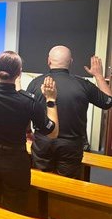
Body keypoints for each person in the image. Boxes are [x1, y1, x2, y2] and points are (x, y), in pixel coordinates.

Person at [0, 51, 59, 214]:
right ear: (19, 73)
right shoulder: (29, 101)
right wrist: (51, 100)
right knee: (15, 212)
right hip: (16, 162)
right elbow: (52, 133)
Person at [26, 46, 112, 178]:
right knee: (67, 186)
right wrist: (99, 76)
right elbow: (108, 102)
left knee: (41, 181)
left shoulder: (35, 83)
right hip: (71, 146)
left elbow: (26, 111)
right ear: (71, 62)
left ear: (48, 61)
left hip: (42, 142)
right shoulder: (83, 84)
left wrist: (28, 132)